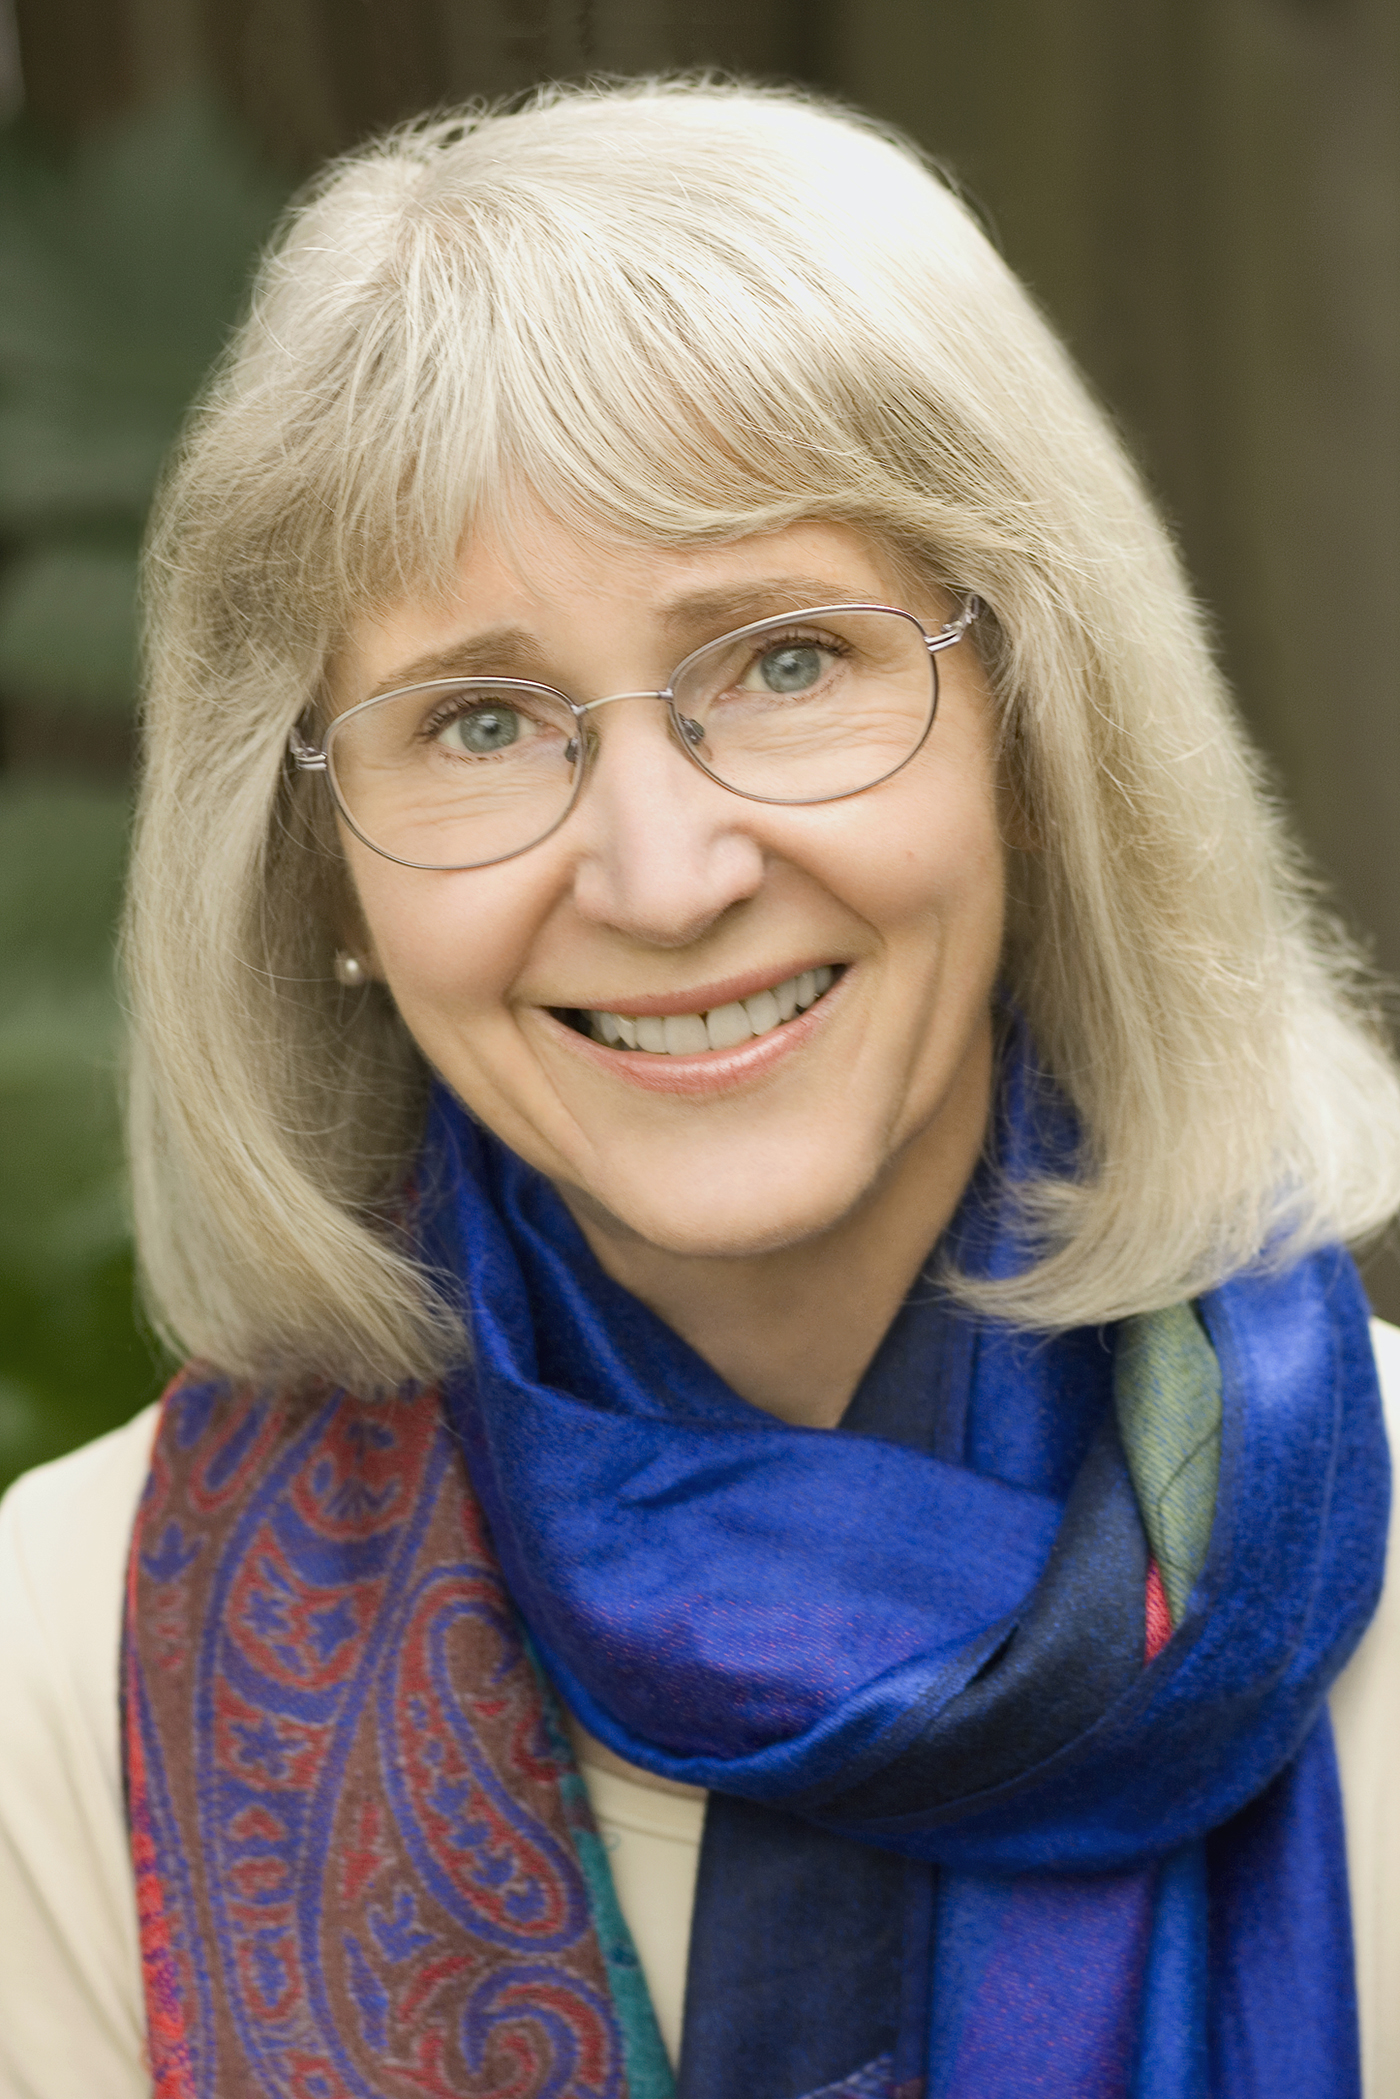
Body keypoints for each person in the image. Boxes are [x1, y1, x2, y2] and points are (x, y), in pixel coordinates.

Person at [2, 77, 1399, 2099]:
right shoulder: (67, 1666)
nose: (662, 879)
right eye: (479, 722)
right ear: (318, 873)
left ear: (1033, 727)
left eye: (787, 662)